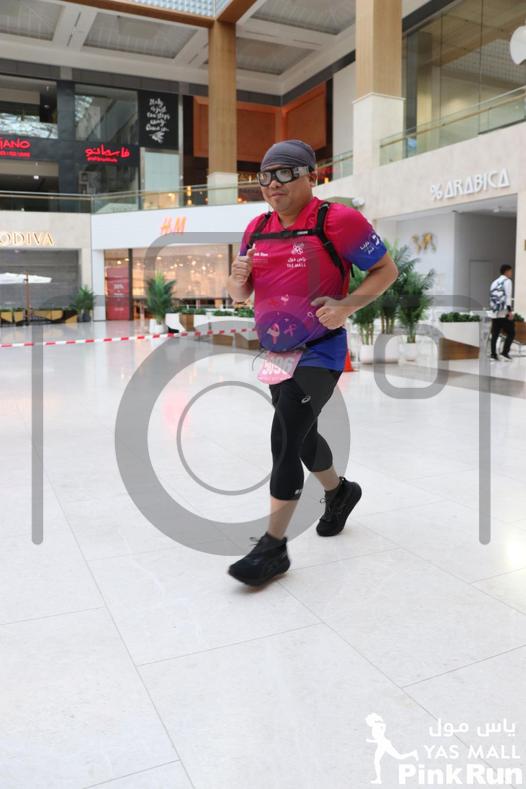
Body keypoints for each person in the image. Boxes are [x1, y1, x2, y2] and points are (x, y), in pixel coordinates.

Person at [226, 139, 397, 586]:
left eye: (285, 173)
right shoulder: (256, 227)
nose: (272, 184)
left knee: (284, 434)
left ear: (311, 176)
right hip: (277, 352)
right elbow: (241, 294)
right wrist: (236, 281)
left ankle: (273, 548)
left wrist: (346, 305)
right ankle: (340, 492)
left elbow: (386, 270)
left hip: (321, 349)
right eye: (265, 176)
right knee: (302, 439)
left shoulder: (337, 220)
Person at [490, 264, 514, 361]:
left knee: (495, 334)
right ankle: (505, 353)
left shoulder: (494, 282)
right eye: (511, 271)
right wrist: (510, 311)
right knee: (511, 332)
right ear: (507, 271)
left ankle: (493, 355)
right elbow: (508, 297)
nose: (511, 273)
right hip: (503, 312)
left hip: (494, 312)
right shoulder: (507, 281)